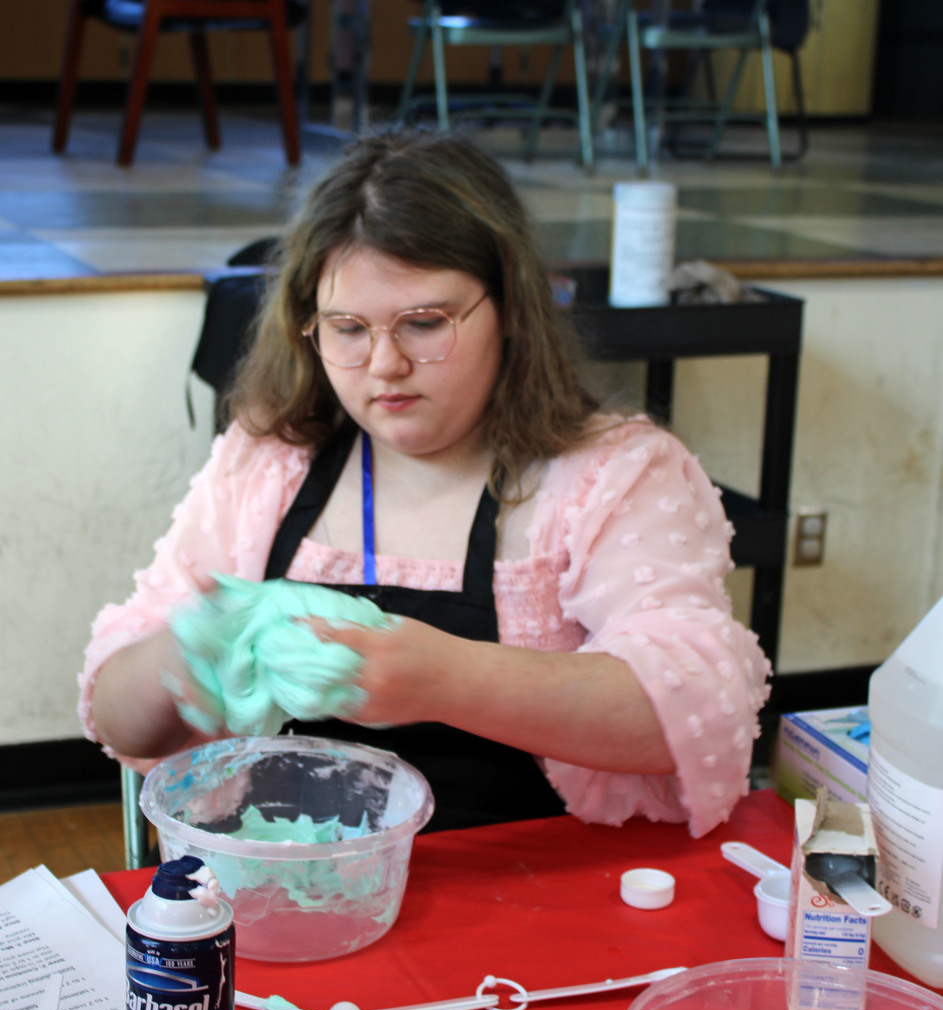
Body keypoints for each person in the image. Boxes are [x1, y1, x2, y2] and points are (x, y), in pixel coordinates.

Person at [78, 127, 771, 836]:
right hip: (291, 880)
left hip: (529, 879)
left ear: (511, 308)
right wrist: (183, 653)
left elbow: (697, 711)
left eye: (424, 323)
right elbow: (118, 718)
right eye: (348, 329)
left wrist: (442, 678)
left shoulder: (612, 476)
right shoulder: (269, 464)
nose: (385, 365)